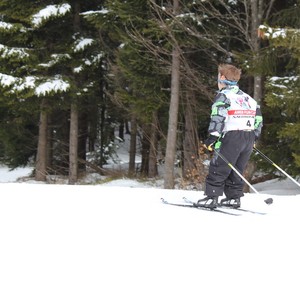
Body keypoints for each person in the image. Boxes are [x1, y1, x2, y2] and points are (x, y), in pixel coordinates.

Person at [198, 63, 263, 209]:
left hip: (231, 136)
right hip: (248, 137)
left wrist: (213, 137)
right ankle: (233, 198)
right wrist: (255, 137)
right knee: (236, 168)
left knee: (219, 166)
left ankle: (212, 197)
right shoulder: (248, 99)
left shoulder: (223, 96)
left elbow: (218, 117)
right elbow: (258, 119)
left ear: (222, 77)